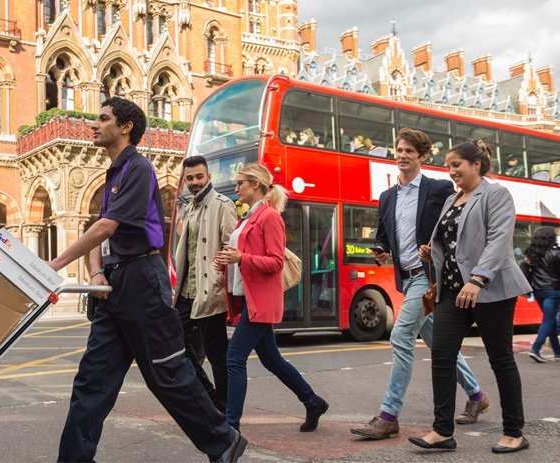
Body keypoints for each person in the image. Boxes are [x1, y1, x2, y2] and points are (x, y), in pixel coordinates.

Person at [49, 97, 246, 463]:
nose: (93, 124)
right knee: (93, 379)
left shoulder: (138, 168)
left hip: (142, 278)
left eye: (103, 119)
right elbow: (101, 230)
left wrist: (54, 265)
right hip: (114, 284)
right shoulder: (114, 174)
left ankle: (224, 441)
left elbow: (107, 226)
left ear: (125, 128)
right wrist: (95, 273)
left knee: (166, 374)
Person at [350, 128, 489, 441]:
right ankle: (477, 397)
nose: (402, 155)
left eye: (410, 151)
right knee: (440, 344)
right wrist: (380, 249)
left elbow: (459, 221)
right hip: (409, 279)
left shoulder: (438, 189)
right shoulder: (387, 197)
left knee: (400, 337)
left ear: (422, 157)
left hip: (430, 278)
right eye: (399, 150)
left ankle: (388, 416)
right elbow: (383, 235)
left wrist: (440, 248)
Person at [412, 139, 532, 453]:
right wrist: (432, 251)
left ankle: (514, 432)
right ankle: (442, 431)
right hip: (453, 291)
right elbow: (453, 244)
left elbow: (498, 240)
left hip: (489, 290)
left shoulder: (495, 194)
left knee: (501, 359)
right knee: (441, 355)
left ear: (476, 164)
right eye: (448, 166)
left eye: (457, 165)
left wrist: (478, 279)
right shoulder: (452, 199)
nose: (451, 172)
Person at [214, 163, 329, 433]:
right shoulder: (246, 218)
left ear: (255, 184)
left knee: (234, 358)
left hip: (260, 301)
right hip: (246, 298)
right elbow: (244, 259)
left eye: (240, 182)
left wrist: (241, 257)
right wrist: (227, 262)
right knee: (272, 360)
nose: (236, 187)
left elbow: (276, 263)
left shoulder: (270, 217)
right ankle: (312, 402)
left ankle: (231, 427)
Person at [173, 155, 239, 412]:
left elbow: (231, 247)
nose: (194, 182)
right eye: (189, 178)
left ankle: (223, 406)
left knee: (217, 354)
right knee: (175, 343)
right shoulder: (189, 206)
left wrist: (217, 279)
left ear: (208, 177)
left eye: (199, 176)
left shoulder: (222, 204)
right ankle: (208, 395)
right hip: (186, 292)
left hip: (209, 290)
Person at [524, 226, 560, 362]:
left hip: (538, 291)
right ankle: (536, 349)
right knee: (549, 320)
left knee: (548, 320)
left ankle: (557, 351)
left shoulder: (532, 254)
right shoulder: (556, 254)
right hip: (554, 291)